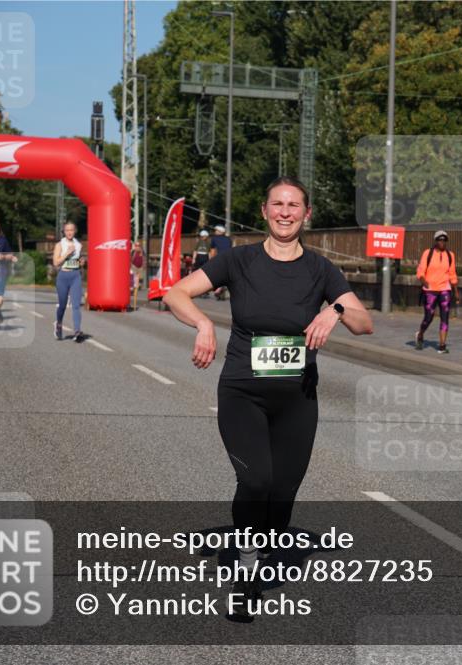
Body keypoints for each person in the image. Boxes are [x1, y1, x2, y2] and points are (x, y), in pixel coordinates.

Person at [162, 177, 373, 619]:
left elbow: (363, 323)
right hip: (243, 391)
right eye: (277, 204)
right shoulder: (239, 260)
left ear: (306, 214)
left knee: (281, 497)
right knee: (256, 481)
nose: (285, 212)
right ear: (264, 211)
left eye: (293, 205)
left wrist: (335, 310)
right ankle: (245, 568)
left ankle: (261, 544)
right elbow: (176, 292)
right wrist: (203, 324)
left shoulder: (320, 270)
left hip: (298, 398)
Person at [414, 230, 461, 354]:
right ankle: (420, 334)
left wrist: (456, 291)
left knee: (445, 317)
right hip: (430, 290)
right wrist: (424, 281)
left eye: (444, 240)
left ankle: (442, 345)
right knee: (429, 317)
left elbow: (452, 274)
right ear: (435, 241)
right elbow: (421, 270)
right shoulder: (428, 253)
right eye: (440, 240)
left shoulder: (450, 255)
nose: (442, 242)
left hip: (445, 289)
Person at [52, 221, 86, 342]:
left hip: (75, 276)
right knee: (62, 305)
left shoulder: (78, 245)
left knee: (76, 305)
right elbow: (56, 263)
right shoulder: (59, 245)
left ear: (75, 231)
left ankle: (77, 331)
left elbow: (78, 260)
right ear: (64, 232)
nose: (69, 232)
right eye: (67, 230)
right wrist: (67, 253)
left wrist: (81, 262)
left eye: (71, 230)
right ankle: (58, 324)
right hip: (63, 276)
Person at [208, 224, 232, 300]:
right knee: (225, 274)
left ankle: (219, 288)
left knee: (217, 274)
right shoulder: (228, 239)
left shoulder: (214, 239)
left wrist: (211, 260)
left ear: (220, 231)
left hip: (220, 258)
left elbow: (213, 250)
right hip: (229, 258)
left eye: (216, 230)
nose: (215, 231)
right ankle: (222, 288)